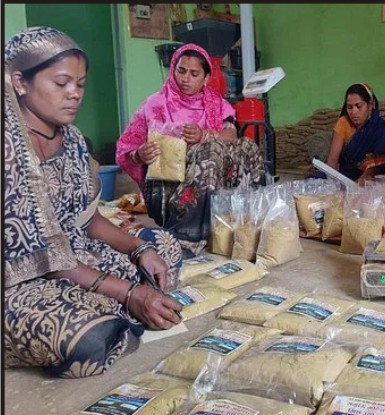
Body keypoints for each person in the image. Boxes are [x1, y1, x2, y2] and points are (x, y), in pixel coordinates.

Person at [4, 27, 184, 378]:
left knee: (163, 247)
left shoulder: (72, 139)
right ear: (20, 82)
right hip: (18, 278)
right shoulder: (9, 151)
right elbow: (45, 256)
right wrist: (129, 293)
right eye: (61, 83)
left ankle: (106, 305)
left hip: (74, 259)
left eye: (80, 84)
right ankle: (104, 312)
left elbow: (88, 220)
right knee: (86, 342)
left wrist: (139, 249)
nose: (74, 94)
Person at [116, 43, 265, 254]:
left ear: (206, 78)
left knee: (246, 146)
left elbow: (231, 136)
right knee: (209, 151)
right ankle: (186, 237)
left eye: (194, 74)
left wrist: (203, 135)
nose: (185, 78)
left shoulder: (216, 104)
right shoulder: (155, 104)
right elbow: (126, 149)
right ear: (173, 70)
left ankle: (240, 222)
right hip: (168, 191)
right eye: (181, 71)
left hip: (213, 183)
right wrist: (139, 155)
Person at [323, 83, 385, 182]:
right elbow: (333, 159)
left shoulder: (382, 129)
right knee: (313, 180)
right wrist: (330, 183)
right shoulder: (344, 123)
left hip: (369, 179)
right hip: (344, 174)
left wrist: (362, 180)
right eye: (349, 107)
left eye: (359, 106)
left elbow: (381, 164)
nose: (354, 112)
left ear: (370, 105)